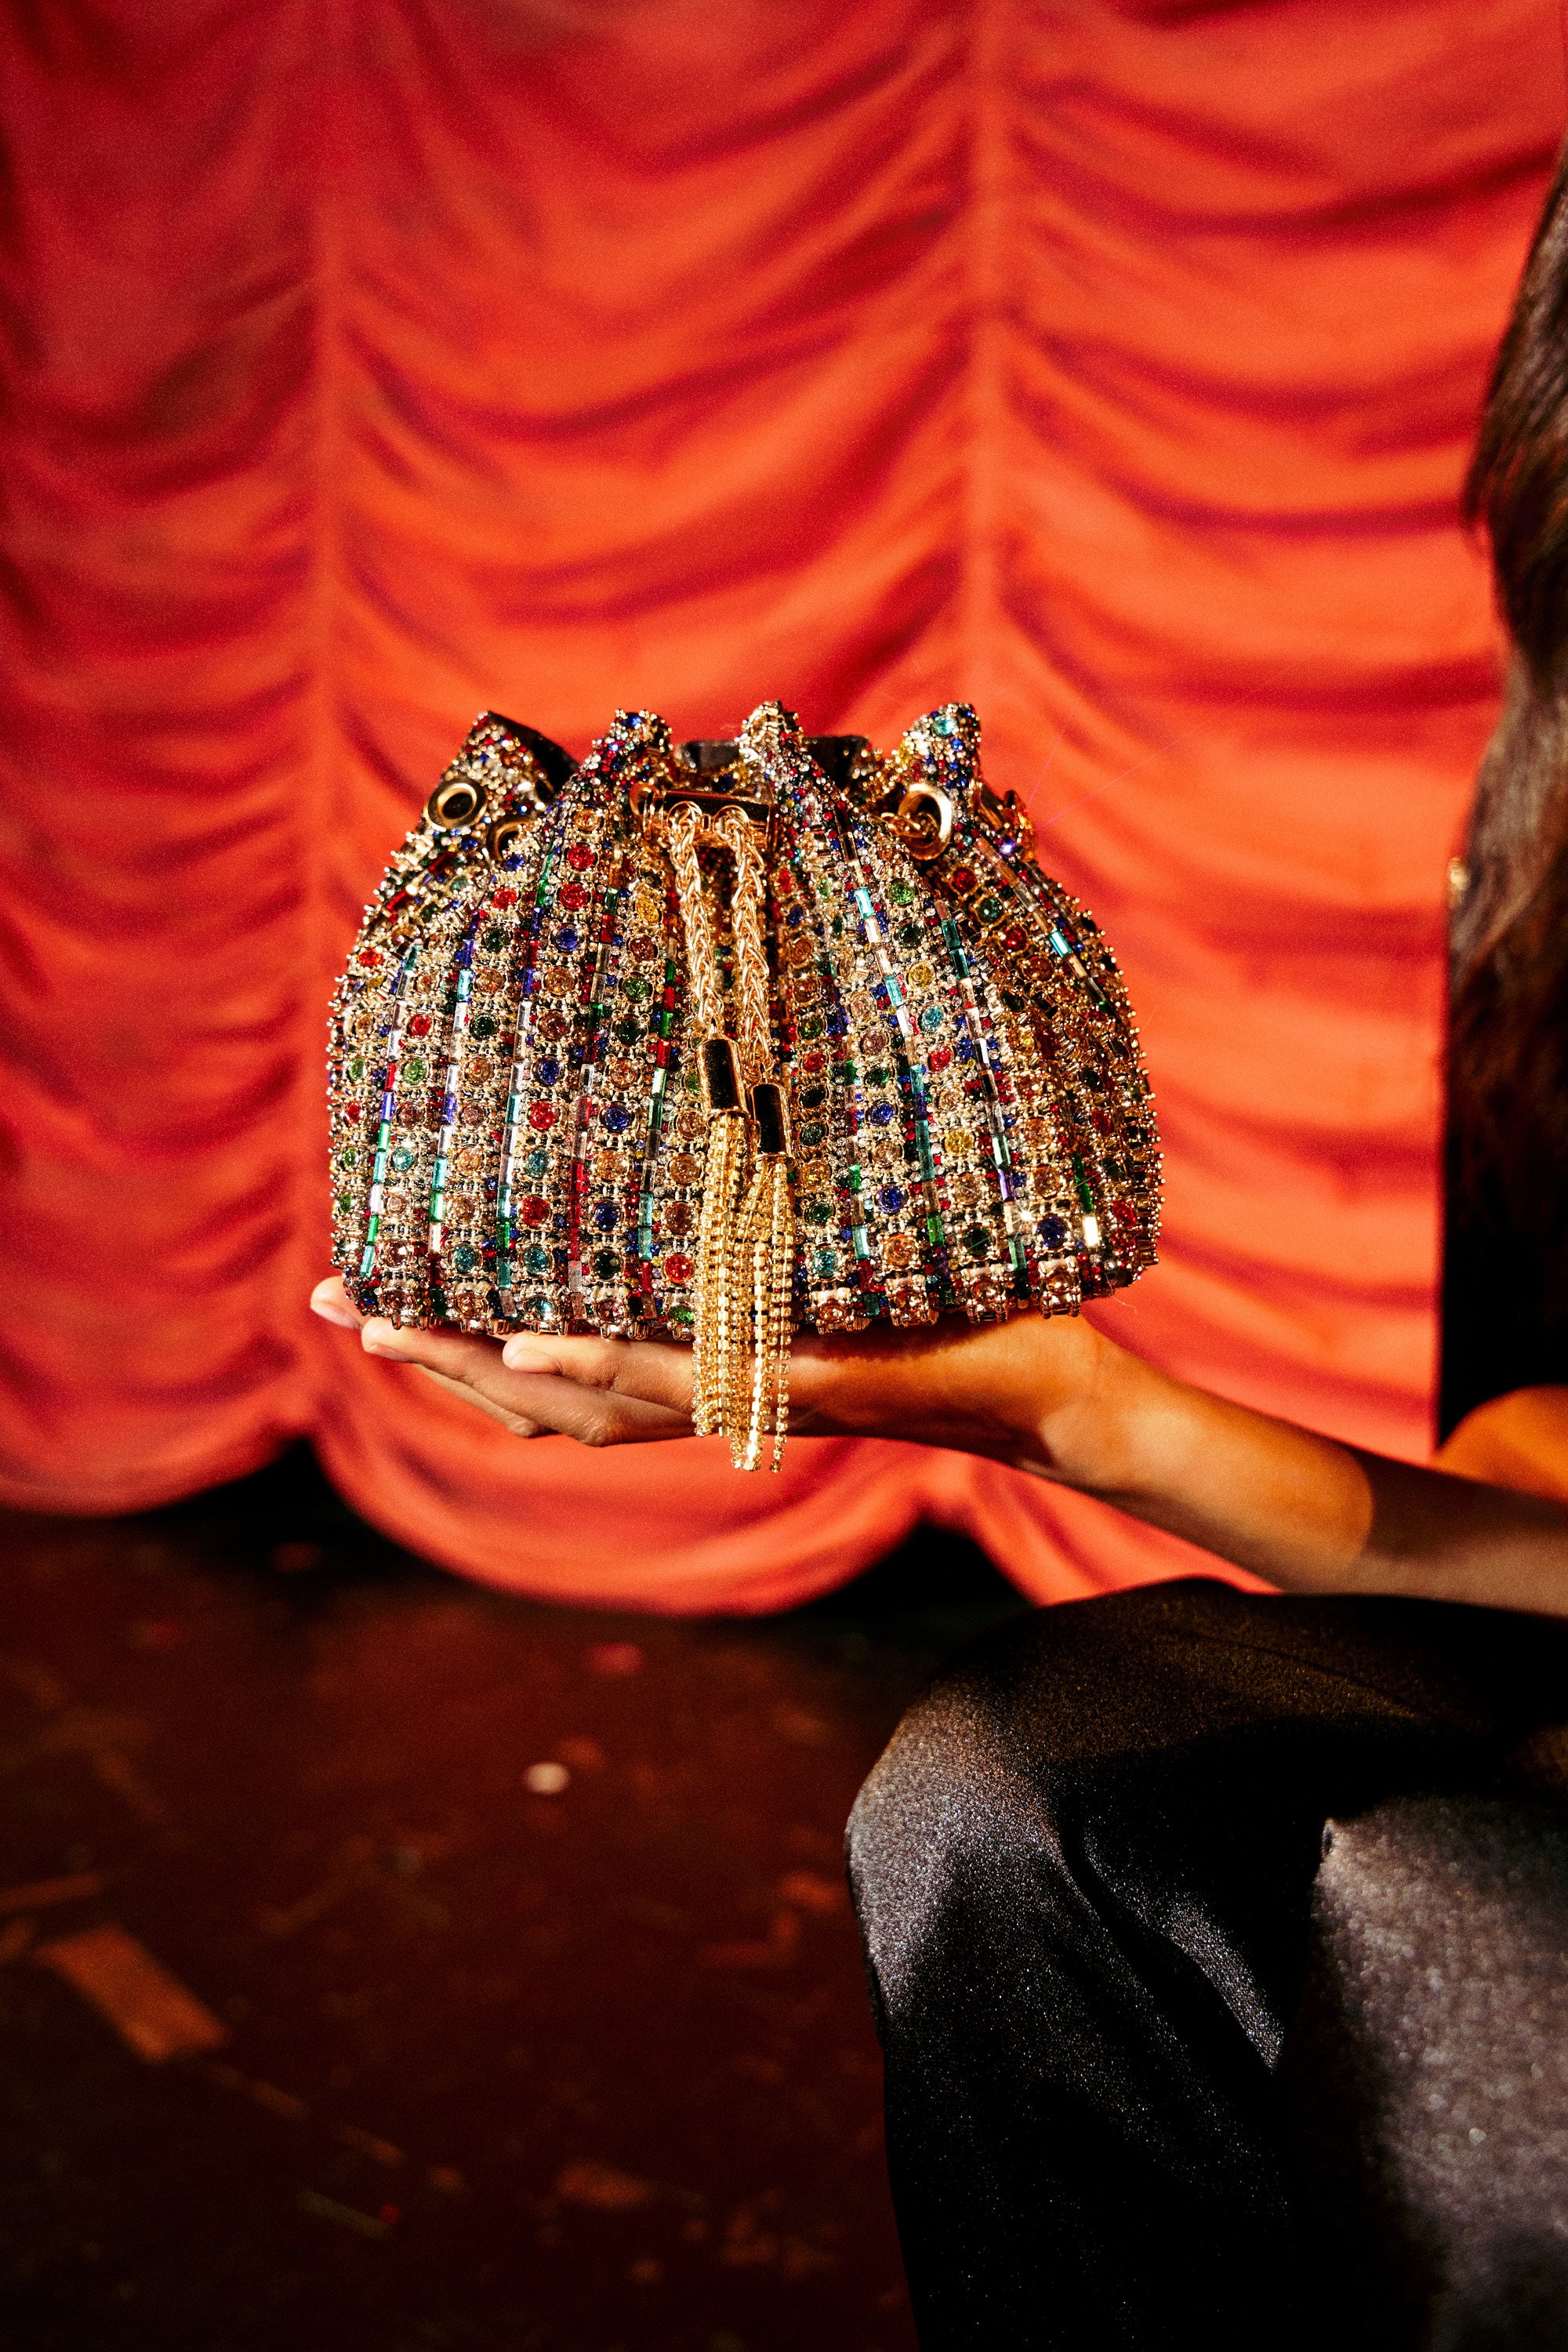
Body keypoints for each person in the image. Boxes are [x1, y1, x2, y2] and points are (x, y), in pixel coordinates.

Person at [310, 142, 1568, 2352]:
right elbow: (1546, 1491)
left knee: (1462, 1939)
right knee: (1012, 1806)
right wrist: (1067, 1400)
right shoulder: (1545, 836)